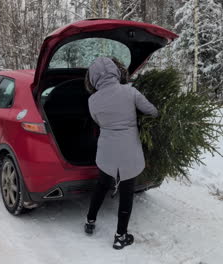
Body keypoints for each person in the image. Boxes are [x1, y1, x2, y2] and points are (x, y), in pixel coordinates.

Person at [84, 57, 158, 250]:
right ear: (115, 72)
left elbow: (98, 121)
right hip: (128, 152)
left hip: (106, 152)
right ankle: (120, 236)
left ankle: (90, 221)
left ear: (93, 78)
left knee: (101, 185)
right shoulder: (130, 92)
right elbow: (152, 111)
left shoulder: (92, 100)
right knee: (126, 193)